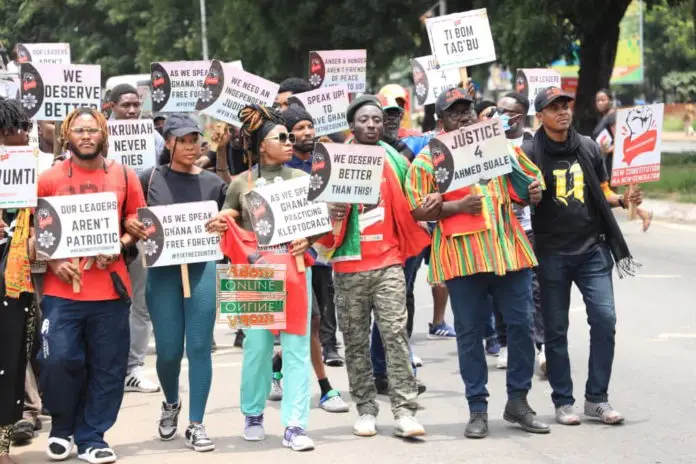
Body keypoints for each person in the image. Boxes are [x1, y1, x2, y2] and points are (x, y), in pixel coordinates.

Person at [406, 88, 549, 439]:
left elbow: (530, 182)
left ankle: (518, 401)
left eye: (466, 109)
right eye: (454, 112)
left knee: (521, 327)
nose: (463, 117)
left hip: (507, 252)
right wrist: (454, 207)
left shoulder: (498, 145)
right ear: (440, 120)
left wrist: (534, 191)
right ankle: (477, 408)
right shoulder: (429, 159)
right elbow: (416, 208)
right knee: (469, 336)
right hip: (461, 259)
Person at [521, 86, 643, 426]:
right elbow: (515, 195)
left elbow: (602, 191)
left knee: (605, 321)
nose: (563, 111)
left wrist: (623, 199)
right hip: (550, 253)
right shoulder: (530, 152)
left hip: (592, 250)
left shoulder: (587, 146)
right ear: (540, 115)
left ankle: (597, 399)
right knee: (556, 330)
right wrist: (525, 195)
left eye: (566, 105)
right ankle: (563, 401)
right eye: (554, 107)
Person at [36, 107, 146, 464]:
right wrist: (54, 260)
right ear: (67, 136)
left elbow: (136, 222)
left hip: (111, 290)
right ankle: (62, 428)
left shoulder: (125, 176)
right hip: (60, 291)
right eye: (79, 131)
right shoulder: (48, 179)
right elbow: (34, 233)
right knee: (59, 360)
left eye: (92, 130)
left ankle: (92, 436)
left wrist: (121, 244)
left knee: (108, 366)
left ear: (103, 135)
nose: (86, 136)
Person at [322, 95, 430, 438]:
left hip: (389, 262)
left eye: (377, 120)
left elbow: (415, 200)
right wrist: (332, 213)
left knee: (395, 335)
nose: (371, 125)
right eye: (364, 120)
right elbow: (315, 221)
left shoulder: (396, 160)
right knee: (354, 341)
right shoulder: (333, 162)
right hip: (348, 266)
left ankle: (404, 410)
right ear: (352, 126)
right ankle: (366, 409)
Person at [211, 104, 316, 452]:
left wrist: (310, 238)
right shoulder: (241, 183)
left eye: (290, 136)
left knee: (296, 347)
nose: (290, 142)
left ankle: (295, 424)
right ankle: (253, 413)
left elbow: (318, 225)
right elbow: (230, 216)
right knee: (256, 346)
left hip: (296, 269)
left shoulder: (302, 179)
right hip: (254, 271)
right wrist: (218, 221)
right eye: (281, 137)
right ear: (260, 145)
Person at [123, 114, 225, 452]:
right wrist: (134, 229)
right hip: (163, 275)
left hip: (201, 270)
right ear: (167, 142)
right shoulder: (147, 178)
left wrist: (223, 225)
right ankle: (170, 403)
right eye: (183, 140)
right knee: (167, 352)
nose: (192, 146)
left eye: (196, 139)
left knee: (198, 347)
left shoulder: (212, 183)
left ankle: (197, 423)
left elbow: (230, 223)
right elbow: (130, 217)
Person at [266, 105, 349, 414]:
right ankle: (285, 380)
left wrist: (329, 217)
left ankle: (313, 386)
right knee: (273, 332)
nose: (306, 134)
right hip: (274, 263)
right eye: (297, 129)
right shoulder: (259, 177)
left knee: (311, 323)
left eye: (309, 127)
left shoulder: (315, 165)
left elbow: (320, 216)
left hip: (311, 259)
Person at [108, 83, 162, 394]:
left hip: (142, 228)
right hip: (106, 230)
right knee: (107, 302)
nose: (131, 110)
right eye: (124, 105)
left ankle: (133, 368)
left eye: (135, 105)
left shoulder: (152, 136)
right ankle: (106, 368)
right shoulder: (99, 135)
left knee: (140, 302)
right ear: (111, 105)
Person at [490, 92, 545, 374]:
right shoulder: (487, 143)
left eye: (507, 112)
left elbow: (540, 181)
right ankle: (505, 343)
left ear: (520, 117)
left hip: (528, 230)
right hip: (497, 230)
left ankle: (541, 344)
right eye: (498, 109)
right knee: (500, 288)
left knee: (534, 289)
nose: (501, 115)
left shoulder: (533, 144)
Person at [0, 98, 38, 464]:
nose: (21, 135)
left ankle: (2, 446)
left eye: (24, 128)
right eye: (13, 129)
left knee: (11, 365)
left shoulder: (33, 172)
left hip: (15, 284)